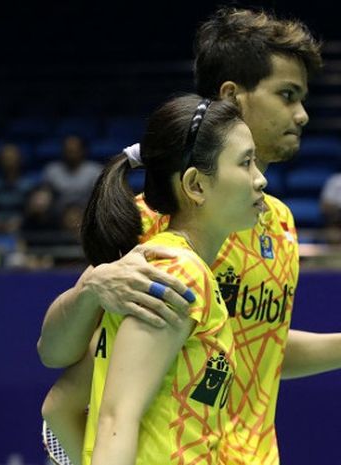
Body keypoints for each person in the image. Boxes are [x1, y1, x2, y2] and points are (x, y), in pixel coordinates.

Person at [38, 7, 341, 465]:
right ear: (234, 96)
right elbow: (61, 365)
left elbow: (259, 347)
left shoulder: (278, 224)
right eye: (287, 95)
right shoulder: (157, 222)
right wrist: (93, 286)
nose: (303, 115)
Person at [83, 95, 266, 464]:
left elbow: (58, 408)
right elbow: (117, 418)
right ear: (196, 185)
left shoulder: (175, 267)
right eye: (245, 163)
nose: (260, 178)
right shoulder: (179, 271)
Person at [43, 135, 102, 211]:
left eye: (74, 150)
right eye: (68, 150)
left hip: (87, 213)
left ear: (83, 151)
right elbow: (46, 194)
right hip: (58, 214)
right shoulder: (52, 170)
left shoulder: (95, 170)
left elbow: (99, 198)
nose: (70, 154)